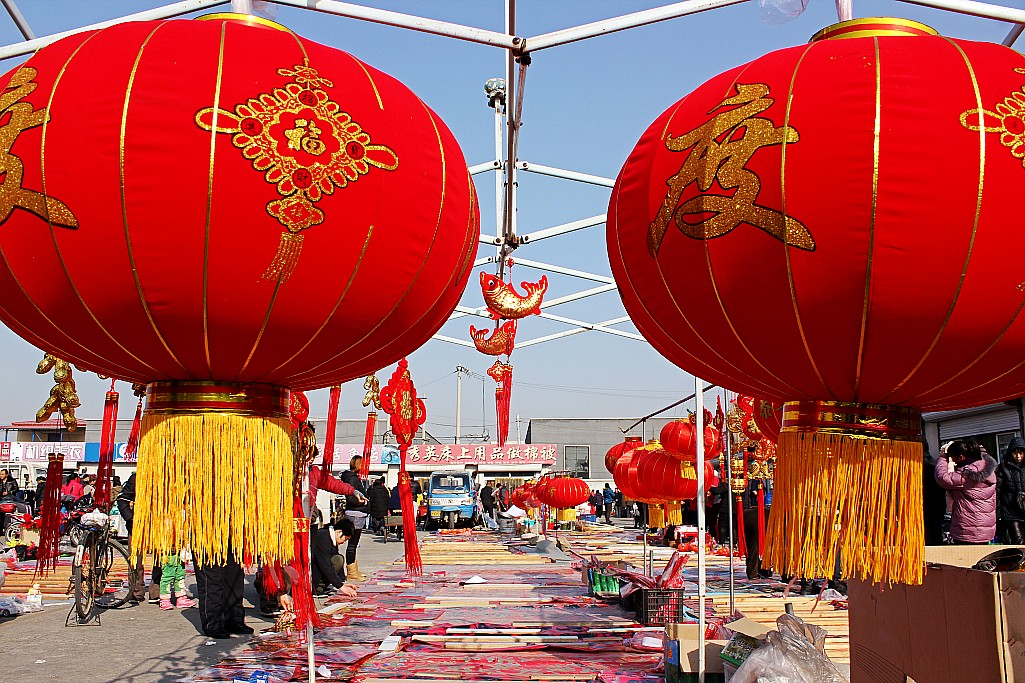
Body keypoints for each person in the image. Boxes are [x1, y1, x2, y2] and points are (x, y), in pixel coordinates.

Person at [935, 438, 997, 545]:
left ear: (961, 457)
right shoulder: (987, 469)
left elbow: (942, 478)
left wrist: (943, 458)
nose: (954, 462)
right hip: (986, 529)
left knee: (966, 555)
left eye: (953, 458)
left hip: (967, 530)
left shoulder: (966, 475)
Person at [340, 456, 370, 581]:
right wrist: (363, 502)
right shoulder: (352, 479)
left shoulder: (355, 478)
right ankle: (351, 571)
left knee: (354, 544)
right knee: (352, 544)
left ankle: (354, 569)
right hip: (355, 513)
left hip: (358, 513)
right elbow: (351, 498)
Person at [997, 437, 1025, 544]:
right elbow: (998, 490)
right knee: (1018, 542)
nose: (1018, 456)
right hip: (1011, 511)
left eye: (1021, 453)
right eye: (1015, 453)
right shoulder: (1004, 468)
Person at [922, 439, 948, 545]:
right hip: (935, 510)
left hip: (929, 510)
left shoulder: (927, 466)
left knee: (931, 541)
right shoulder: (933, 464)